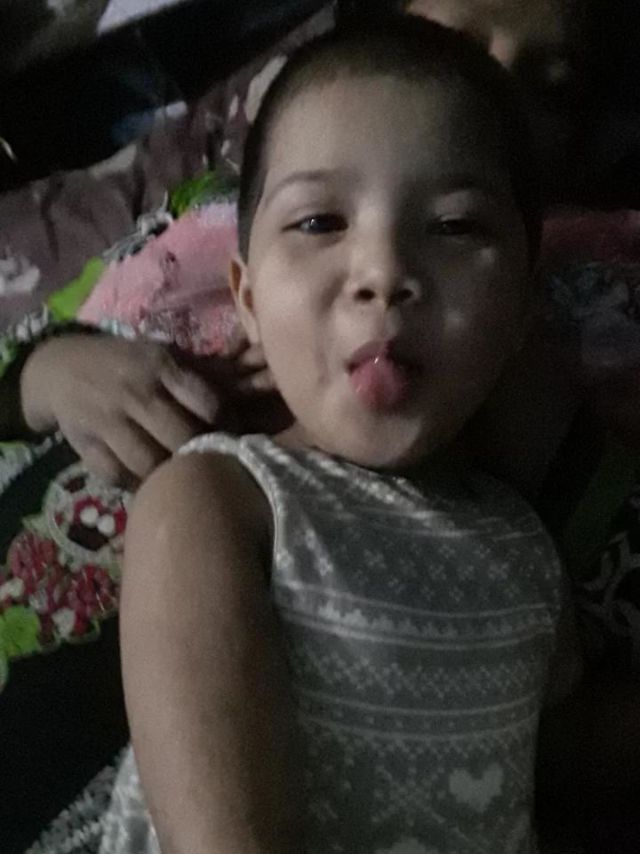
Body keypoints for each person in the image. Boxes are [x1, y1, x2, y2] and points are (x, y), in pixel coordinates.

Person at [101, 16, 582, 854]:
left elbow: (572, 762)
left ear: (520, 313)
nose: (383, 274)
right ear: (248, 299)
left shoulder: (528, 550)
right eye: (320, 222)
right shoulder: (217, 502)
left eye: (455, 226)